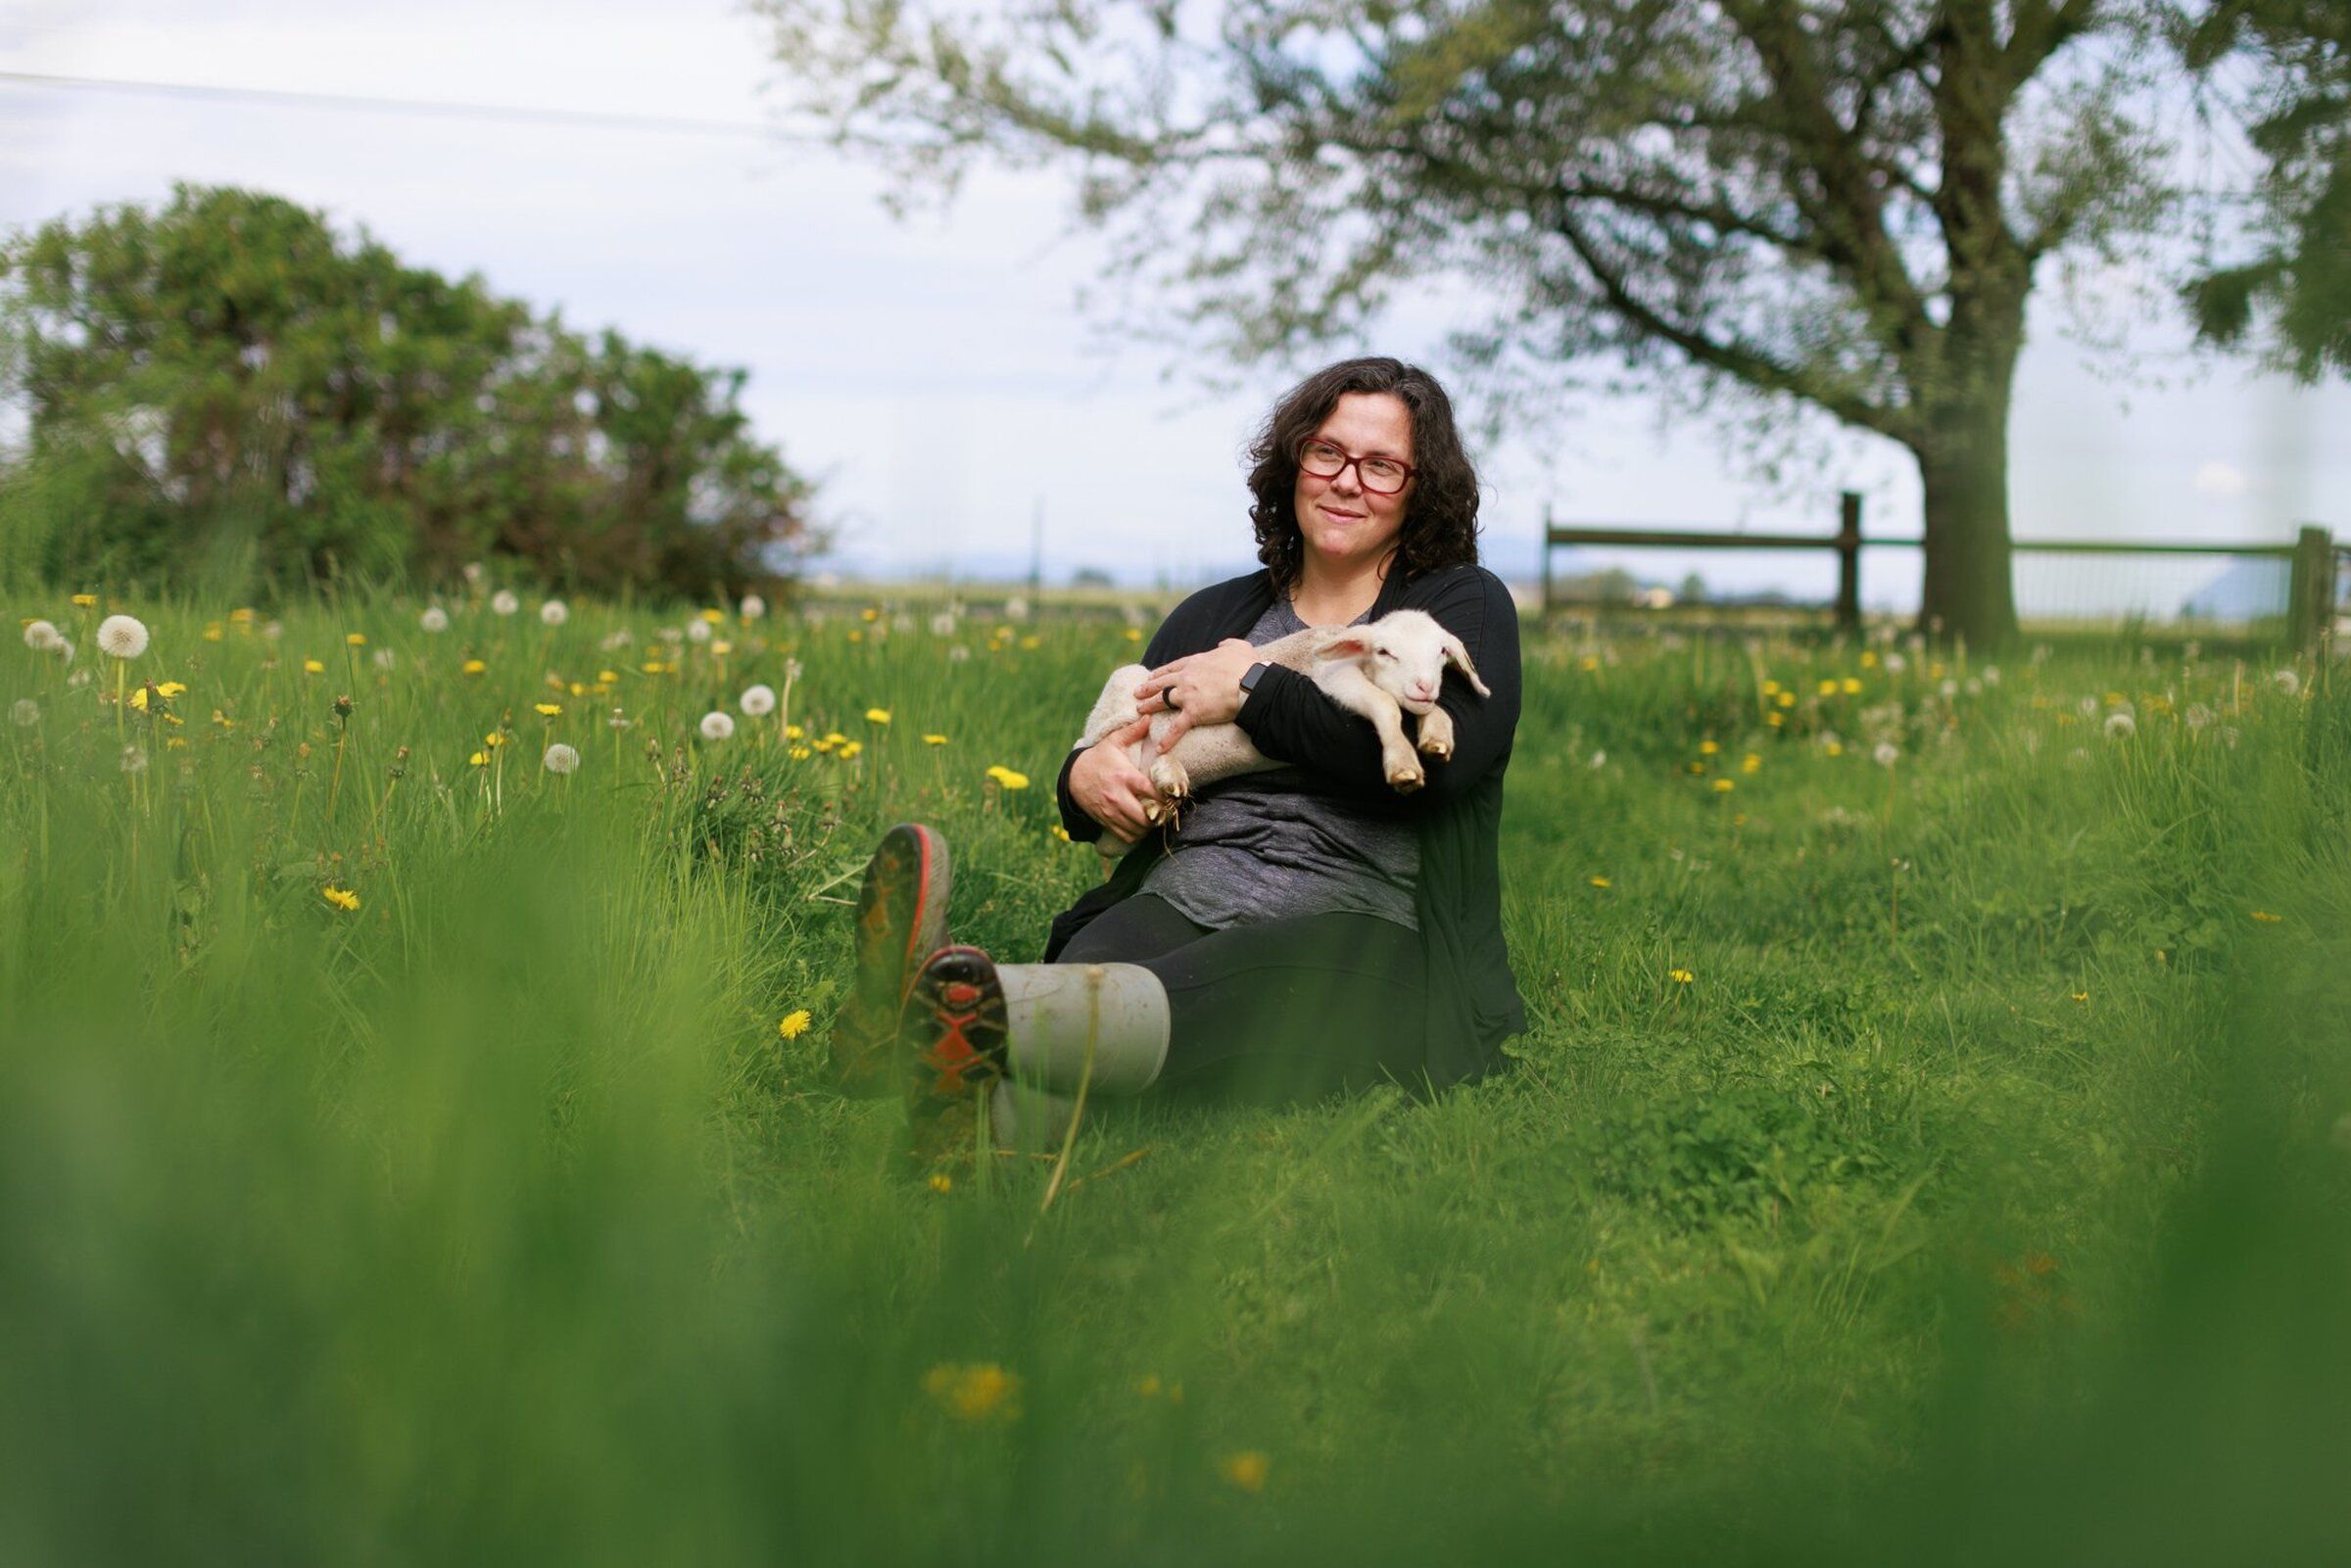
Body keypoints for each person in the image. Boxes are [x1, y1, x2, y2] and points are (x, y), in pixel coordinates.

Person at [827, 356, 1525, 1169]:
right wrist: (1080, 778)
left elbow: (1445, 767)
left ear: (1419, 487)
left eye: (1381, 465)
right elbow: (1129, 744)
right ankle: (970, 1102)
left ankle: (931, 1013)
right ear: (1294, 461)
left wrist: (1253, 688)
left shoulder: (1455, 606)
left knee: (1210, 988)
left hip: (1368, 931)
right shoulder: (1215, 614)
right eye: (1326, 453)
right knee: (1093, 986)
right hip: (1184, 890)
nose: (1347, 482)